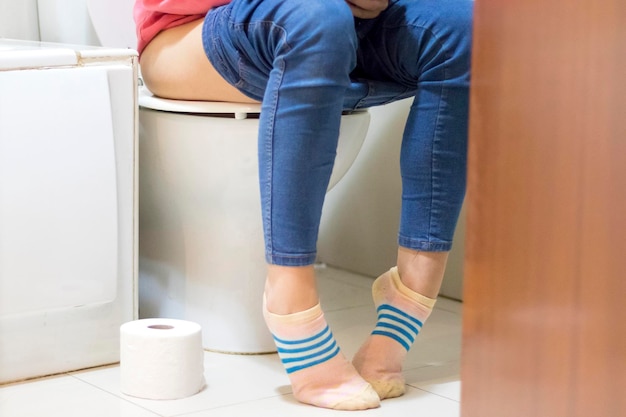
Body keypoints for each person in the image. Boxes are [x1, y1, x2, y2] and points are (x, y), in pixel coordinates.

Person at [135, 0, 472, 410]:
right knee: (316, 17)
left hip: (341, 26)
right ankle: (289, 301)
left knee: (467, 27)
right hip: (189, 34)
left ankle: (410, 298)